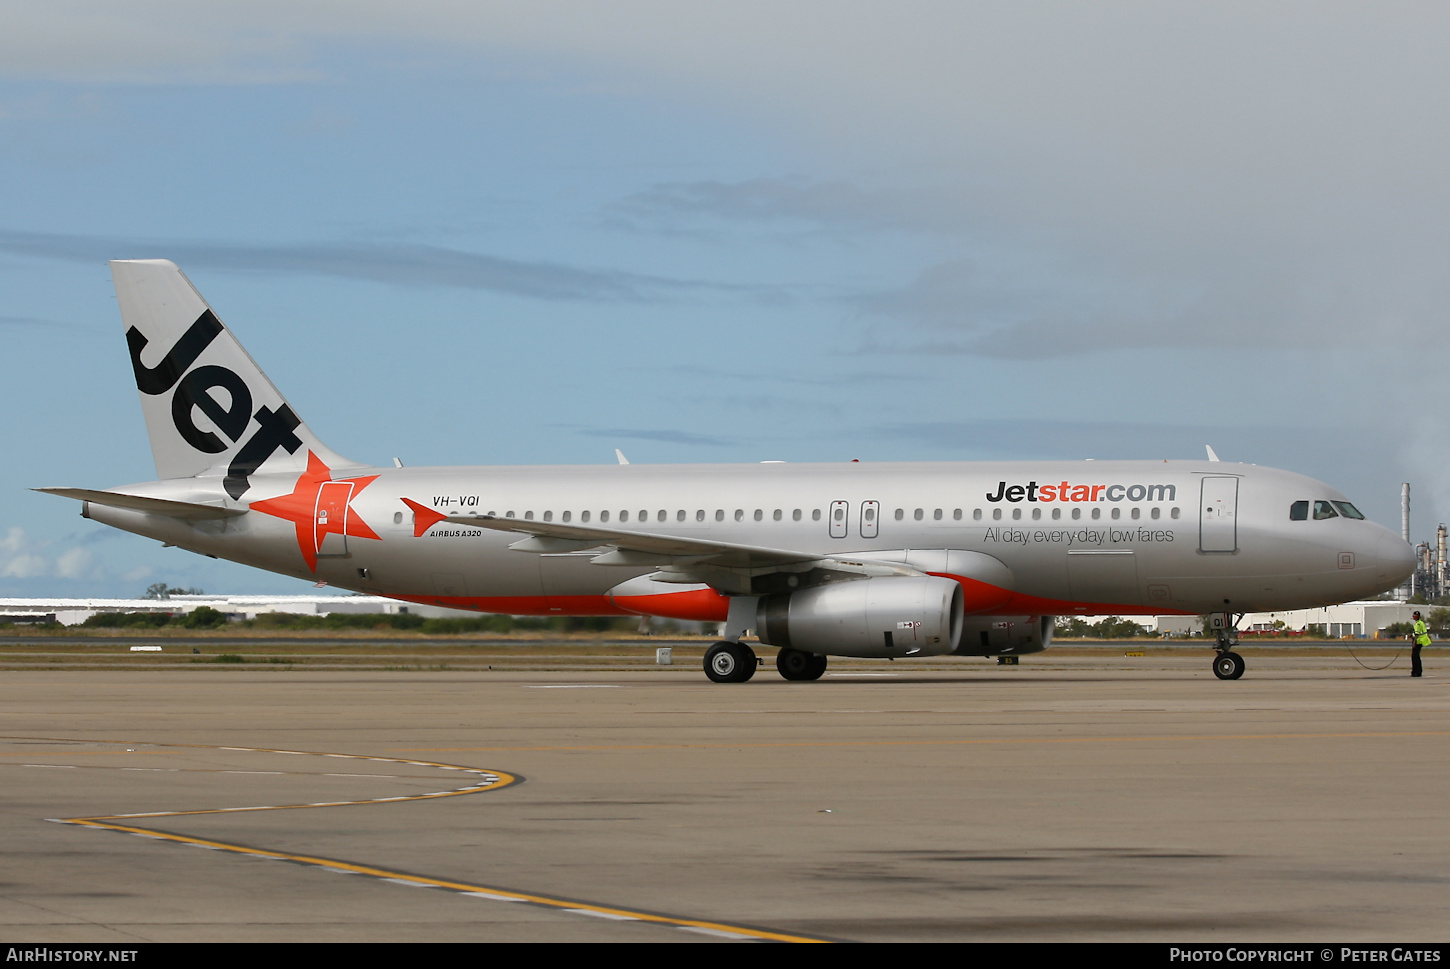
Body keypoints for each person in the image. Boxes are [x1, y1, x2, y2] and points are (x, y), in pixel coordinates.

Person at [1411, 611, 1431, 677]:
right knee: (1416, 656)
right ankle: (1418, 671)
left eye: (1414, 615)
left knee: (1415, 657)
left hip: (1418, 641)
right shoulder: (1421, 623)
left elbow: (1417, 634)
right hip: (1420, 641)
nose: (1413, 617)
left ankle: (1416, 672)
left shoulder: (1418, 624)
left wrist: (1414, 643)